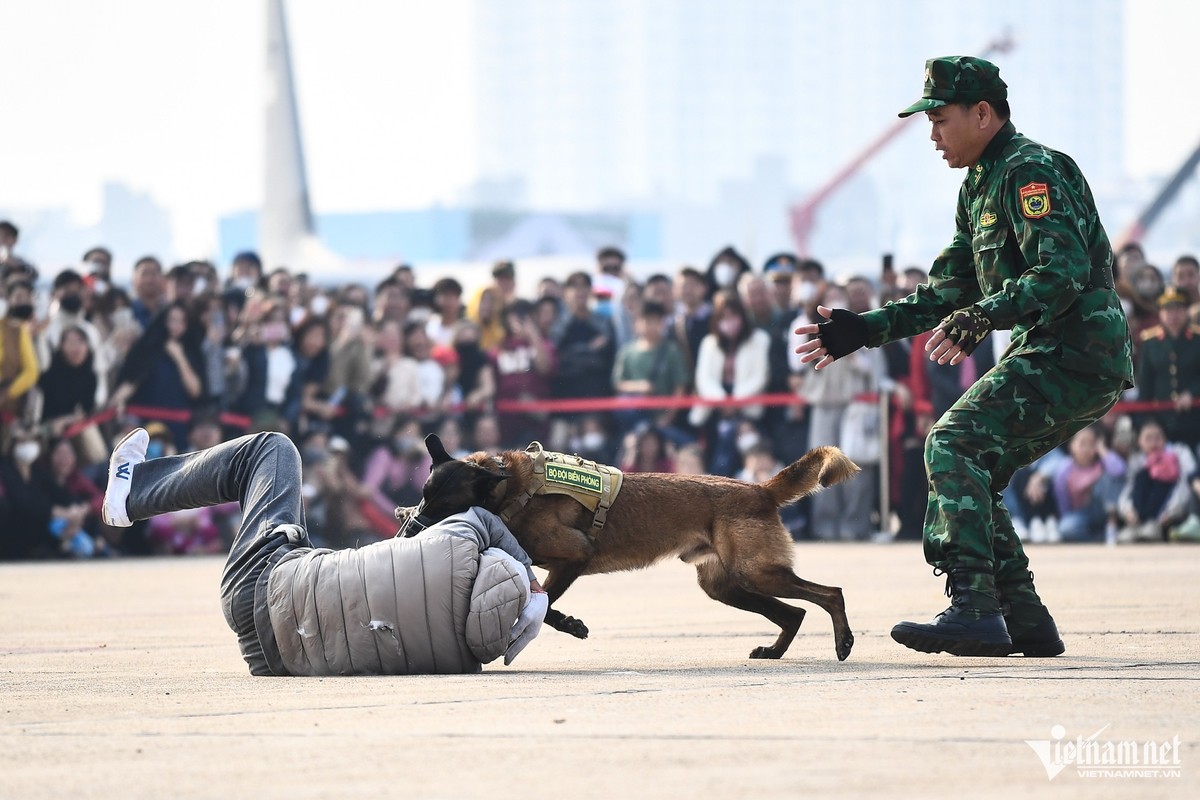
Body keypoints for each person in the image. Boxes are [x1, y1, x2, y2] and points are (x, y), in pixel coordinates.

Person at [796, 56, 1133, 658]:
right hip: (1053, 350)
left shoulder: (1030, 171)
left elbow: (1063, 271)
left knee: (951, 442)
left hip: (1076, 350)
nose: (932, 136)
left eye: (940, 119)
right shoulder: (980, 184)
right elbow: (949, 292)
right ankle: (1024, 619)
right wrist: (863, 330)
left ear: (983, 113)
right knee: (976, 471)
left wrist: (985, 315)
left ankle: (975, 608)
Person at [100, 427, 549, 676]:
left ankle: (133, 491)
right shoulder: (460, 660)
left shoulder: (464, 538)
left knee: (271, 450)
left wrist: (530, 577)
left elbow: (482, 521)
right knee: (337, 588)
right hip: (271, 657)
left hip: (262, 583)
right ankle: (133, 493)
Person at [1135, 286, 1200, 451]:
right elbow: (1145, 384)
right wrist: (1146, 421)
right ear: (1160, 313)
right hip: (1162, 420)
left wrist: (1192, 393)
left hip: (1195, 417)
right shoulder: (1150, 342)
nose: (1173, 315)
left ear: (1186, 310)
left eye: (1178, 308)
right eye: (1168, 309)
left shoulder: (1197, 339)